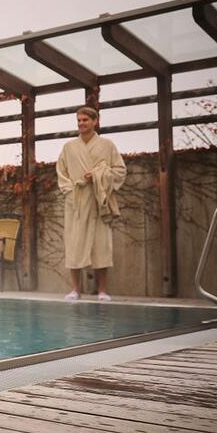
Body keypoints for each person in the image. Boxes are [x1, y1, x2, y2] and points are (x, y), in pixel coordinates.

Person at [56, 106, 126, 301]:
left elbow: (120, 171)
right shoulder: (69, 147)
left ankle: (102, 290)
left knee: (101, 245)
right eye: (78, 120)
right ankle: (75, 289)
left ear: (95, 121)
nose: (81, 123)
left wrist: (97, 175)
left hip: (98, 201)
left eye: (85, 120)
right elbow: (61, 173)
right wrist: (70, 192)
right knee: (74, 243)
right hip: (76, 202)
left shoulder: (107, 145)